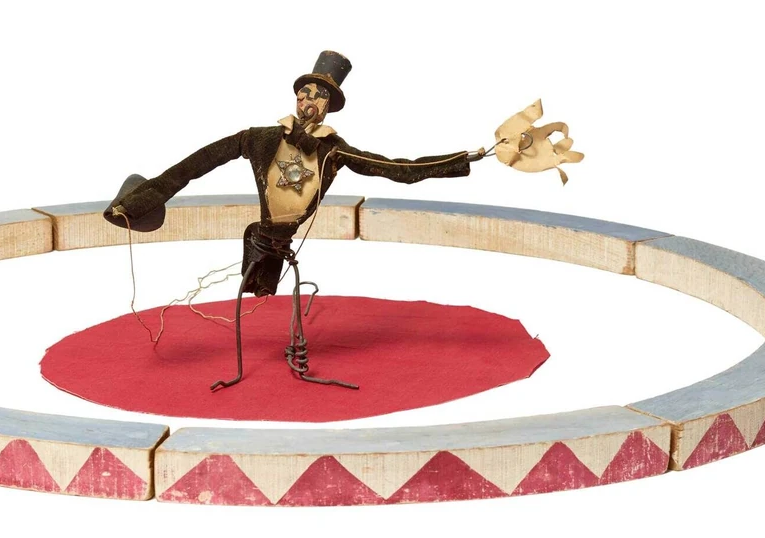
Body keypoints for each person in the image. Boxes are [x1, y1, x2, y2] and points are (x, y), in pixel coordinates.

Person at [104, 51, 497, 391]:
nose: (309, 100)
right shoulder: (258, 138)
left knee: (289, 291)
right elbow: (191, 167)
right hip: (261, 238)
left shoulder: (334, 152)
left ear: (329, 106)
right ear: (296, 96)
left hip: (285, 244)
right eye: (305, 92)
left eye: (319, 95)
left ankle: (298, 352)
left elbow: (398, 170)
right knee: (246, 296)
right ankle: (239, 370)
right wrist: (135, 205)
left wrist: (463, 159)